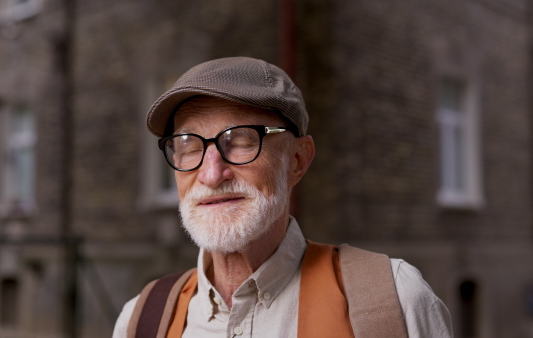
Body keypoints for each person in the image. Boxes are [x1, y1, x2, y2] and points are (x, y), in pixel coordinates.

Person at [113, 57, 453, 337]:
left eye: (242, 140)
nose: (212, 174)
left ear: (297, 160)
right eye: (188, 145)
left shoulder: (392, 300)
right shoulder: (141, 320)